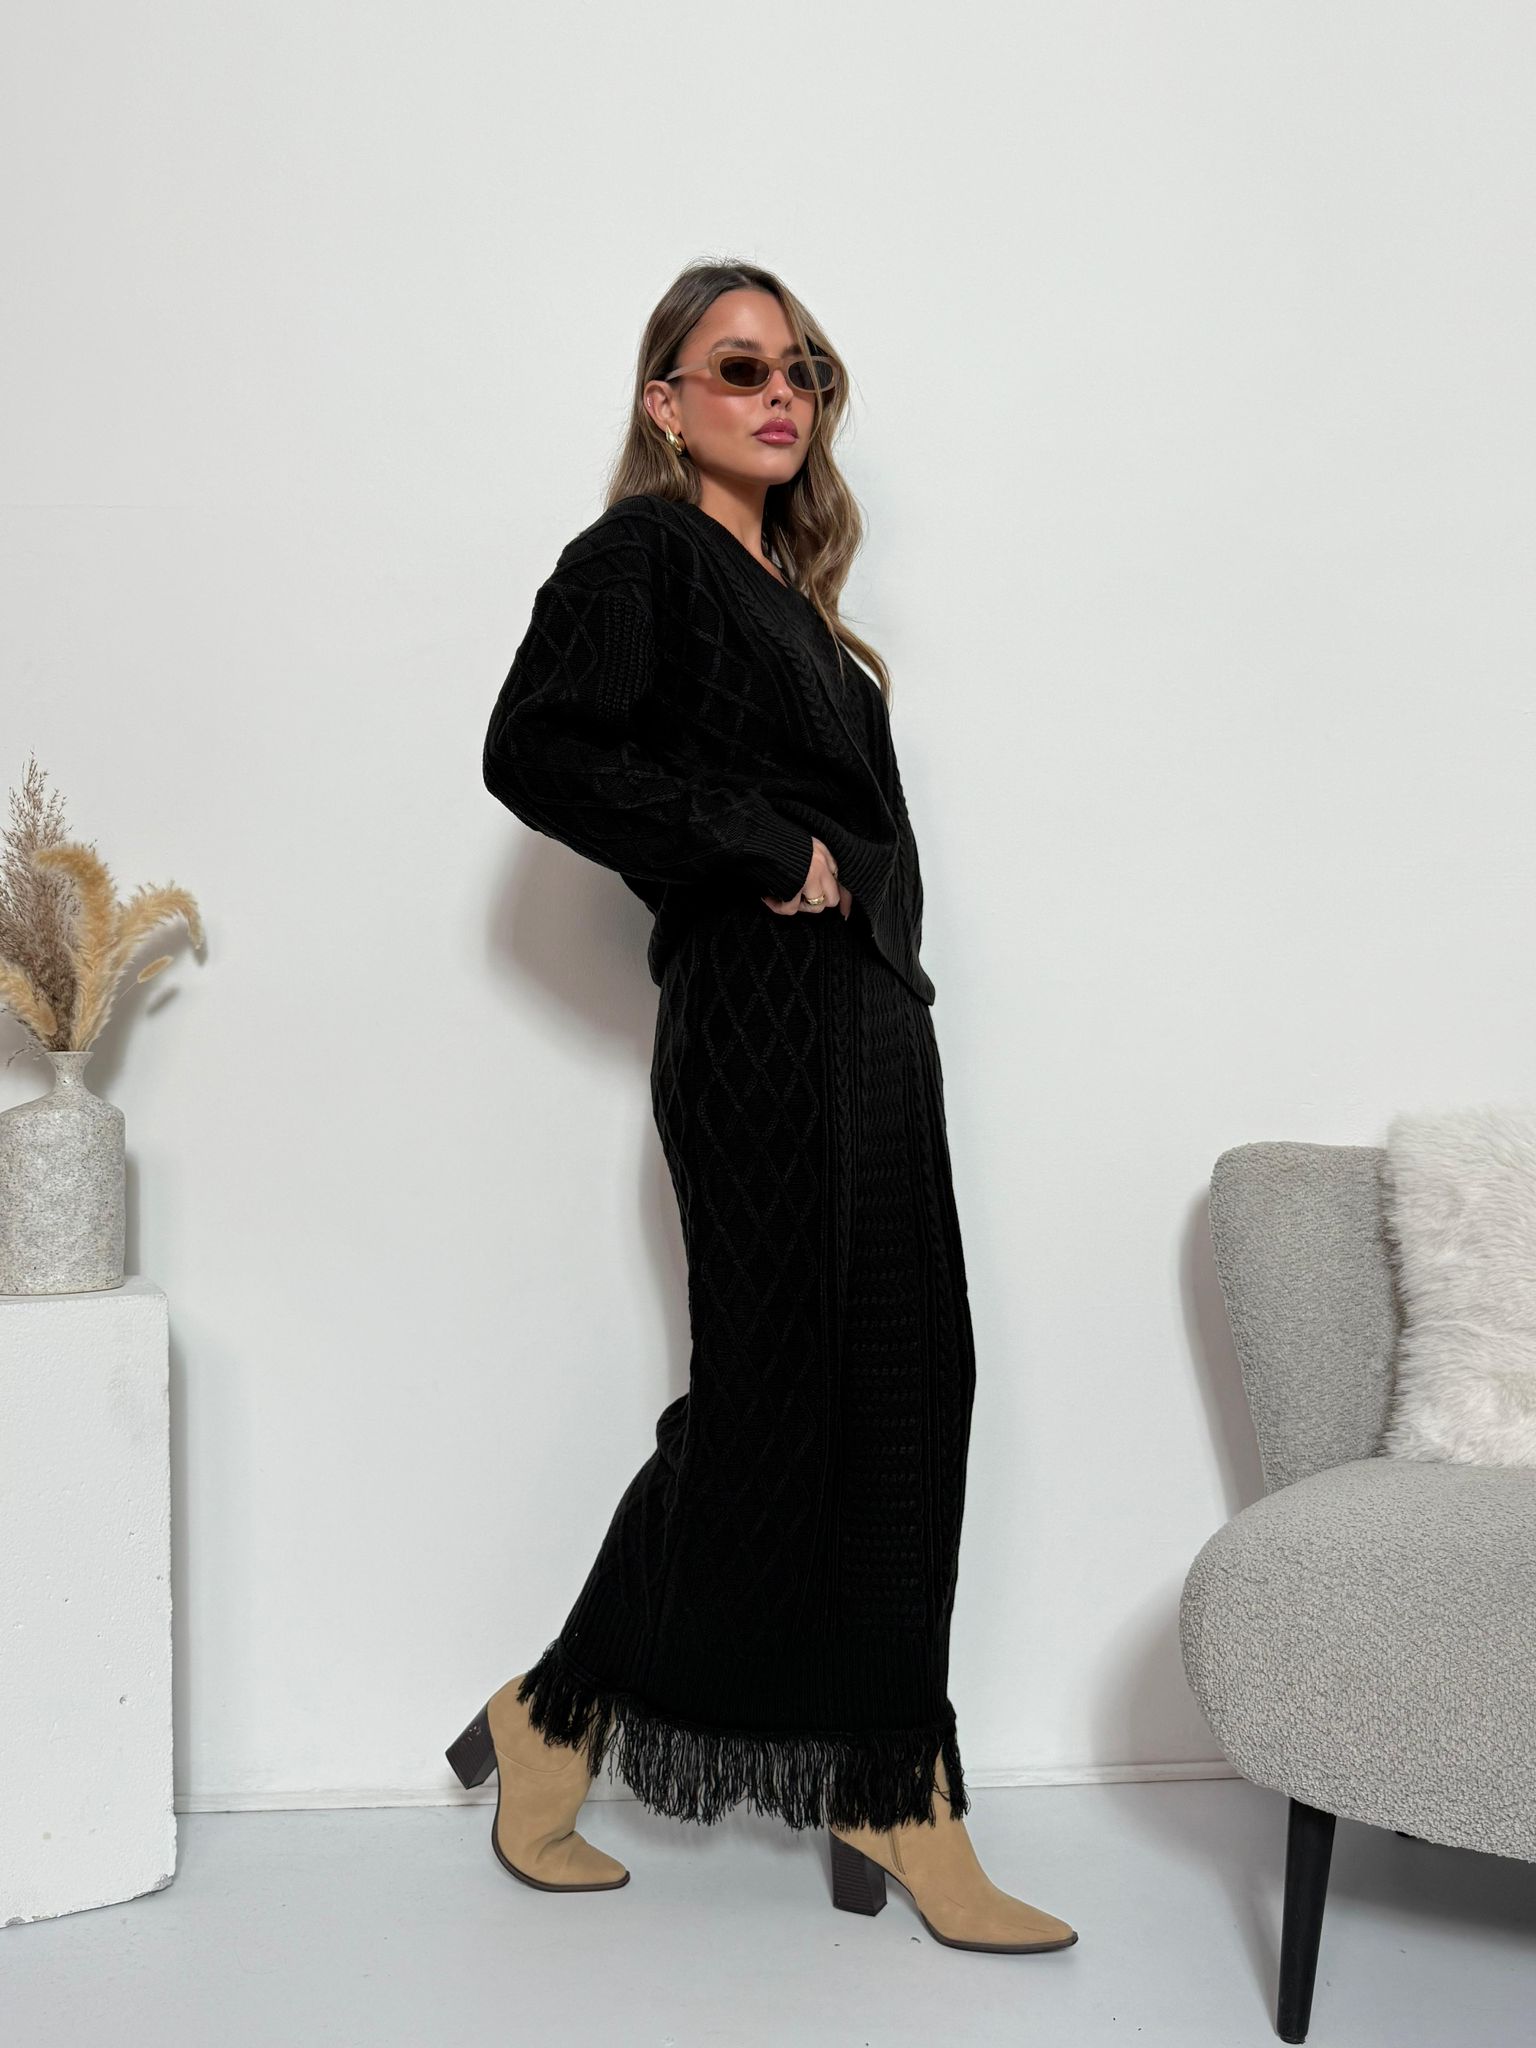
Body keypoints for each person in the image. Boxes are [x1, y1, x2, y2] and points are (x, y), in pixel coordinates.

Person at [451, 260, 1078, 1956]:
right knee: (771, 1404)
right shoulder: (641, 556)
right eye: (737, 368)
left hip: (864, 1022)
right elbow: (535, 750)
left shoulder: (793, 599)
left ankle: (854, 1774)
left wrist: (879, 955)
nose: (779, 393)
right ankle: (758, 1760)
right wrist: (757, 845)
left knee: (910, 1387)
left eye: (800, 368)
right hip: (755, 1022)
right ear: (666, 403)